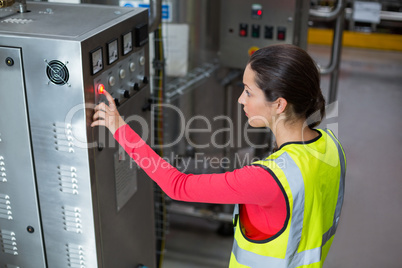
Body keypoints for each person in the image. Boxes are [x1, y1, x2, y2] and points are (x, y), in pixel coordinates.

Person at [91, 44, 346, 268]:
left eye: (248, 91)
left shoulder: (269, 179)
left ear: (279, 104)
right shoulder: (331, 148)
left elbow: (177, 186)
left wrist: (120, 129)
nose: (240, 99)